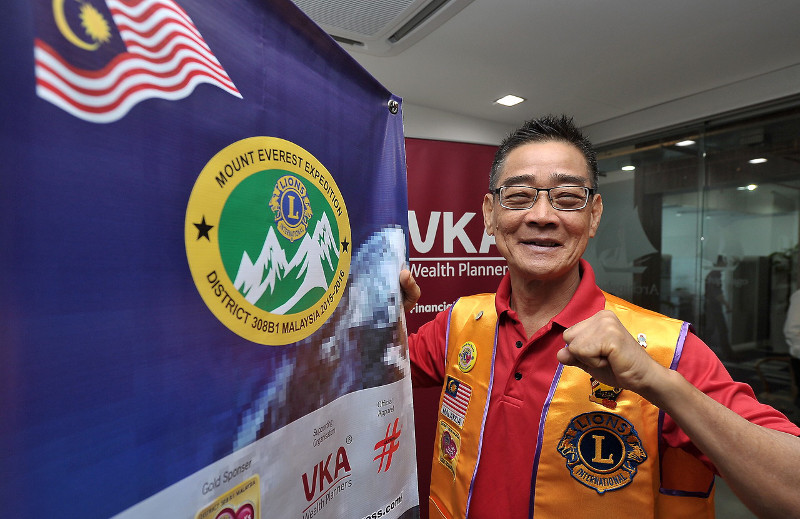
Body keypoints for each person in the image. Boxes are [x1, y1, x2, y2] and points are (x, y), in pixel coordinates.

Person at [399, 115, 800, 519]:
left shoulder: (666, 351)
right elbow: (360, 377)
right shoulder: (459, 323)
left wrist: (658, 384)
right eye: (519, 196)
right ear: (489, 214)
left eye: (568, 198)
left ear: (594, 215)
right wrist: (374, 315)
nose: (541, 215)